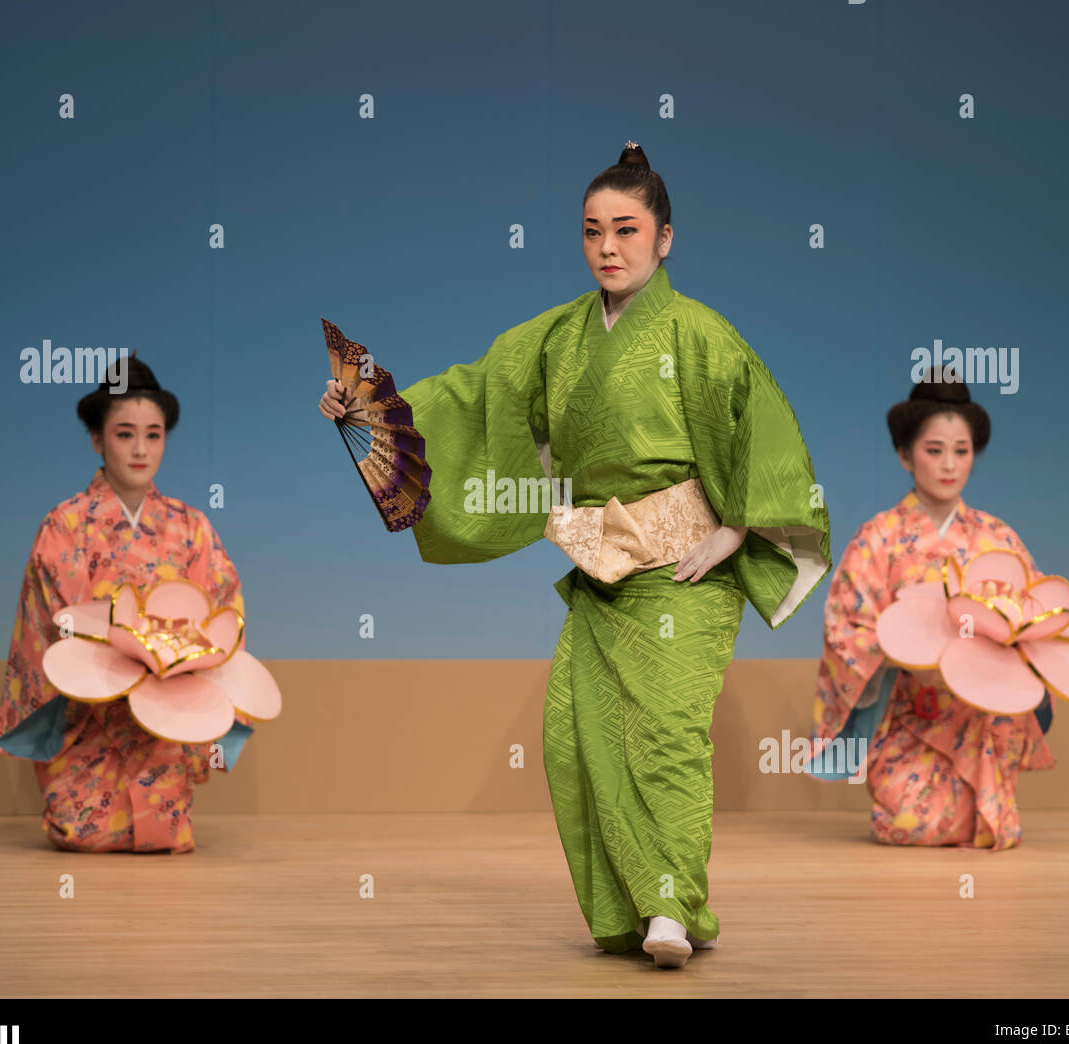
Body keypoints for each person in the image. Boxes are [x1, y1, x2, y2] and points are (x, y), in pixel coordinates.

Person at [320, 142, 831, 966]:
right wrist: (374, 410)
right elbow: (471, 393)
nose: (608, 247)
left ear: (666, 238)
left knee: (665, 729)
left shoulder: (700, 334)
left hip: (685, 569)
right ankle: (632, 913)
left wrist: (735, 529)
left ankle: (672, 905)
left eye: (627, 229)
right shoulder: (557, 337)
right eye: (592, 230)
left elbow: (759, 429)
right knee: (576, 736)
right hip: (604, 570)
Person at [0, 357, 253, 853]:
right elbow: (59, 629)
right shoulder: (65, 525)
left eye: (153, 435)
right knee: (83, 832)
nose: (140, 449)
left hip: (166, 720)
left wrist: (177, 662)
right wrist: (128, 654)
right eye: (124, 434)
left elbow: (222, 613)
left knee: (167, 835)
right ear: (97, 439)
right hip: (89, 719)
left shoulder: (191, 527)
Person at [807, 375, 1056, 849]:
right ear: (905, 455)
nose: (949, 465)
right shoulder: (878, 537)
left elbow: (1036, 625)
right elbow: (846, 630)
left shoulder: (997, 538)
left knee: (994, 829)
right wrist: (907, 645)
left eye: (961, 451)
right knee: (913, 824)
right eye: (934, 449)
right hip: (906, 714)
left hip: (982, 716)